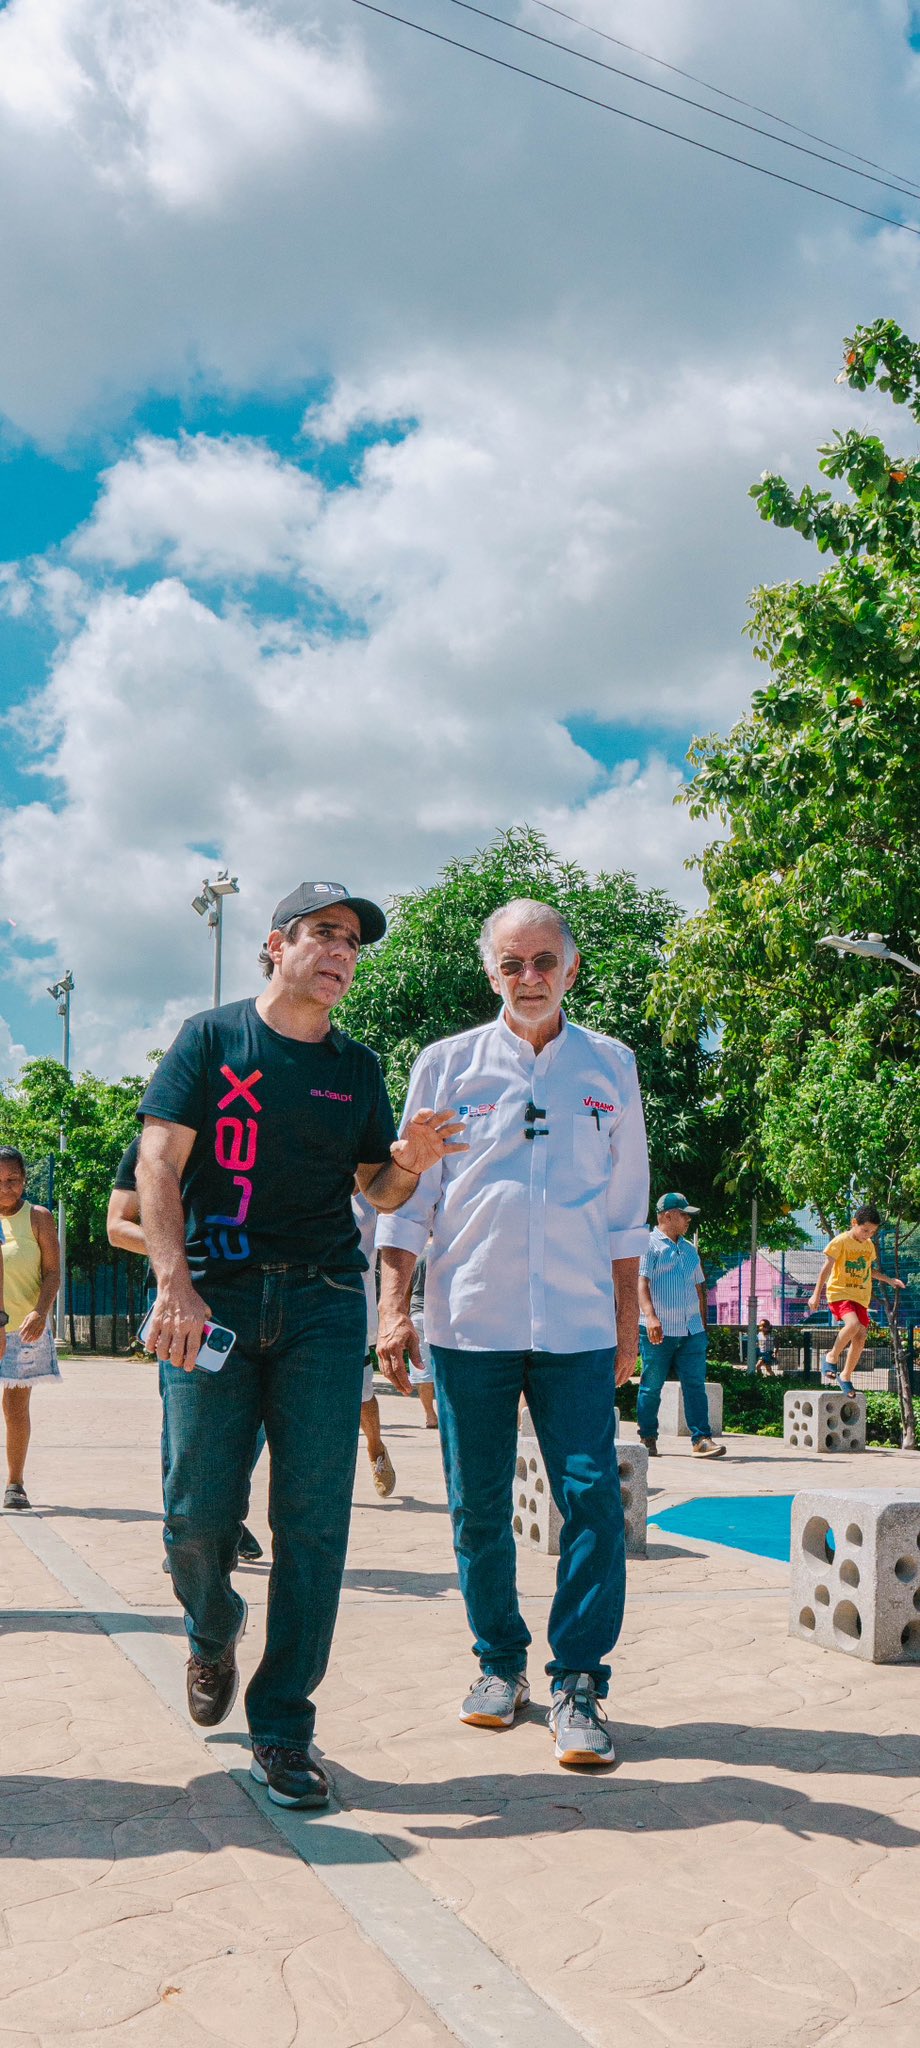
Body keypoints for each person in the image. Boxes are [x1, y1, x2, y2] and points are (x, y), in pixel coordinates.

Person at [136, 881, 462, 1811]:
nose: (342, 953)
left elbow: (381, 1189)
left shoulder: (357, 1069)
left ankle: (282, 1727)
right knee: (196, 1513)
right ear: (277, 944)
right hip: (216, 1303)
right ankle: (212, 1625)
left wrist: (412, 1160)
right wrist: (174, 1284)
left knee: (315, 1525)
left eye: (354, 942)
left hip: (322, 1303)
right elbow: (160, 1163)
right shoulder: (212, 1039)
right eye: (325, 934)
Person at [377, 898, 649, 1770]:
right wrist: (394, 1307)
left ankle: (578, 1681)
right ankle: (500, 1665)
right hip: (470, 1322)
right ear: (490, 973)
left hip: (575, 1328)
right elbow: (409, 1199)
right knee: (476, 1508)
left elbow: (623, 1209)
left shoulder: (611, 1066)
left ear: (571, 969)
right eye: (512, 964)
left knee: (593, 1503)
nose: (528, 977)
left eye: (544, 961)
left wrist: (625, 1325)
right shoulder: (446, 1064)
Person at [108, 1136, 264, 1563]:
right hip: (179, 1299)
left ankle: (225, 1517)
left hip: (253, 1295)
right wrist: (179, 1252)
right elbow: (117, 1226)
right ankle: (182, 1531)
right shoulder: (148, 1145)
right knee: (186, 1425)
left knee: (255, 1422)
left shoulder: (251, 1132)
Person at [637, 1193, 725, 1458]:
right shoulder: (649, 1245)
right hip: (659, 1330)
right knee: (651, 1386)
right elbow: (642, 1283)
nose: (688, 1219)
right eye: (683, 1214)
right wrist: (651, 1317)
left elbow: (699, 1288)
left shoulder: (689, 1249)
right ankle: (647, 1438)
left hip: (691, 1331)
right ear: (667, 1216)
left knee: (695, 1385)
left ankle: (702, 1439)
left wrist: (702, 1328)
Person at [0, 1147, 61, 1511]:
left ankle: (15, 1484)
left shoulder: (38, 1218)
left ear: (24, 1180)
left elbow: (52, 1272)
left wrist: (41, 1312)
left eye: (12, 1180)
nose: (5, 1189)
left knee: (15, 1406)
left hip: (24, 1331)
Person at [808, 1204, 905, 1388]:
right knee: (852, 1324)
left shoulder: (868, 1246)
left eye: (872, 1232)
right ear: (854, 1223)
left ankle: (845, 1376)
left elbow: (869, 1270)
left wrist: (889, 1280)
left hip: (860, 1296)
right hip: (839, 1293)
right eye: (865, 1230)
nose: (867, 1235)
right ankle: (831, 1356)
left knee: (860, 1336)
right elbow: (826, 1268)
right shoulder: (840, 1241)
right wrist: (815, 1294)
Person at [352, 1187, 397, 1497]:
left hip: (358, 1312)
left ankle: (375, 1447)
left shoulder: (372, 1199)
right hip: (308, 1310)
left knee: (363, 1396)